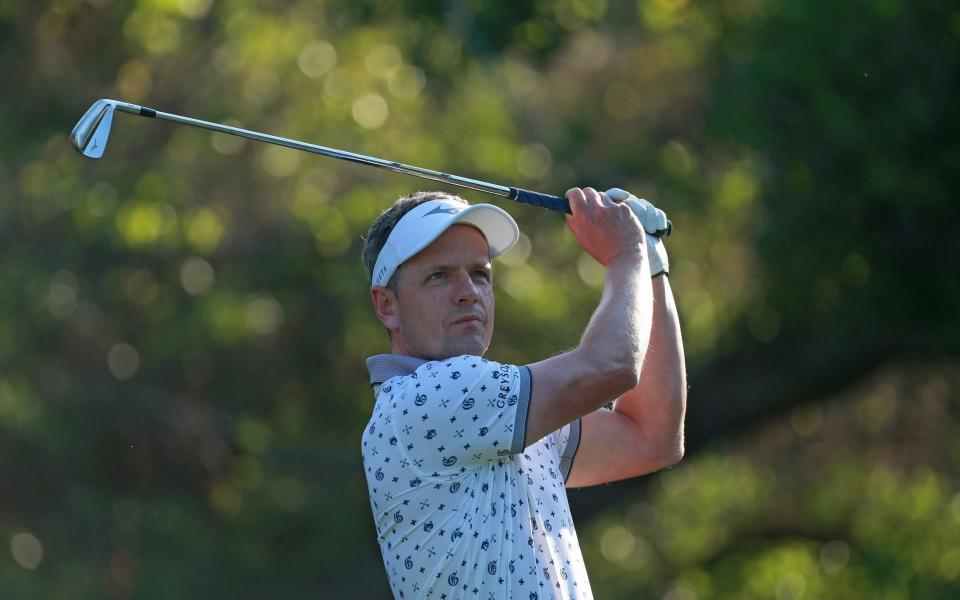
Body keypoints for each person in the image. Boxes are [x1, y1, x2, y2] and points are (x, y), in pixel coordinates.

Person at [360, 187, 686, 599]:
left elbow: (651, 437)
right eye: (439, 275)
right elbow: (612, 365)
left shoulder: (495, 412)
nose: (468, 292)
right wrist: (627, 255)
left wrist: (651, 265)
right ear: (387, 306)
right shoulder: (427, 396)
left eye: (480, 274)